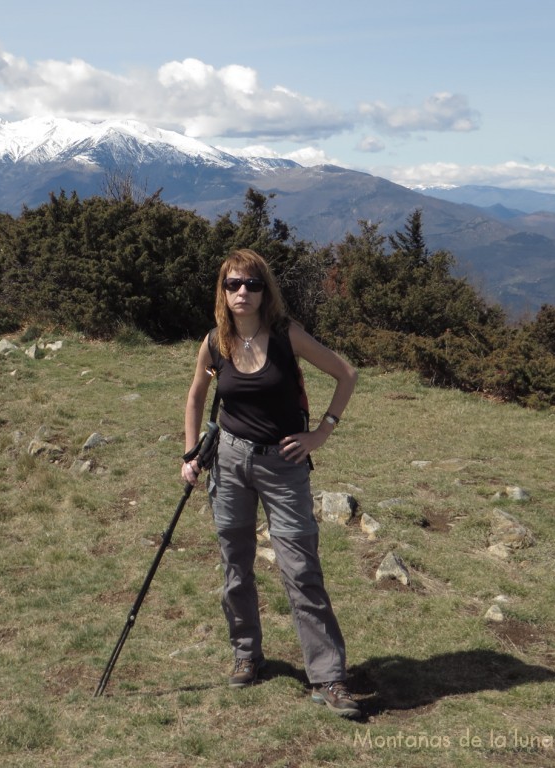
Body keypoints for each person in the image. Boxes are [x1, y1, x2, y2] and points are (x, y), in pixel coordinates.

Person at [181, 248, 360, 718]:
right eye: (233, 284)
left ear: (265, 291)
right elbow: (196, 397)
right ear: (222, 290)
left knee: (300, 569)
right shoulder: (215, 342)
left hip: (283, 467)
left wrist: (321, 432)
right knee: (234, 564)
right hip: (230, 462)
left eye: (252, 285)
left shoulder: (286, 336)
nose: (242, 292)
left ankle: (329, 677)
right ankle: (246, 654)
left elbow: (346, 374)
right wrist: (189, 453)